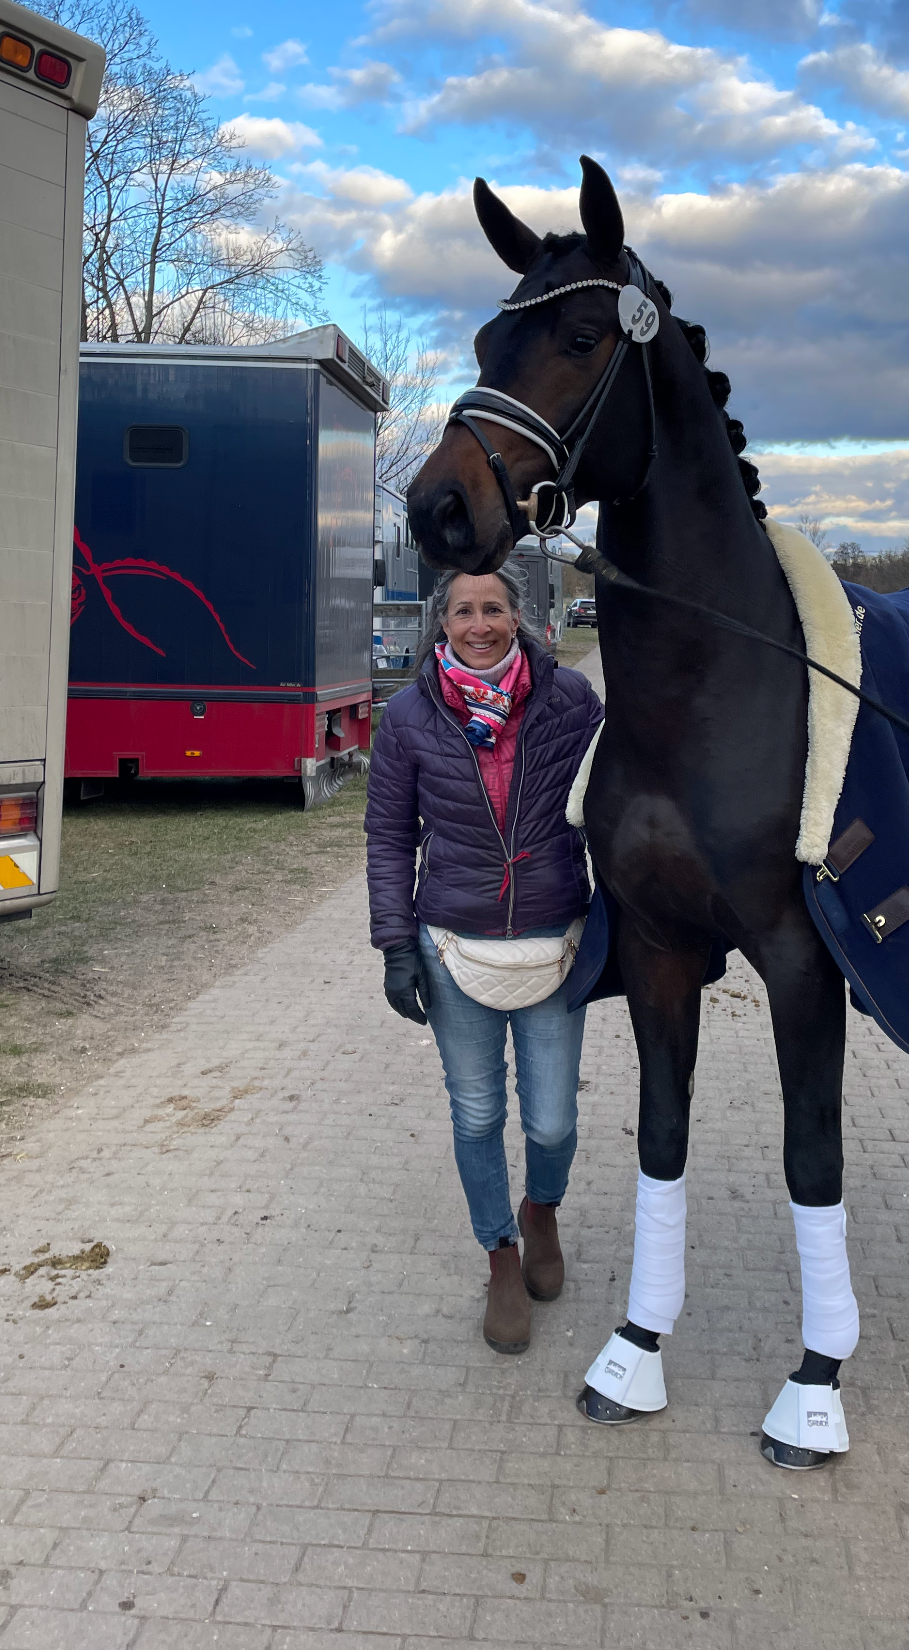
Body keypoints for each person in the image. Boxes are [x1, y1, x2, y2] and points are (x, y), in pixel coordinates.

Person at [365, 562, 604, 1353]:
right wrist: (395, 943)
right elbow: (389, 837)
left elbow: (613, 802)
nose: (479, 625)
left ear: (518, 616)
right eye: (463, 611)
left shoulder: (571, 701)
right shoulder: (409, 715)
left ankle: (543, 1211)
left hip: (552, 939)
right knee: (476, 1113)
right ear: (443, 622)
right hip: (452, 942)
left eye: (493, 609)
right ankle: (501, 1254)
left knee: (552, 1120)